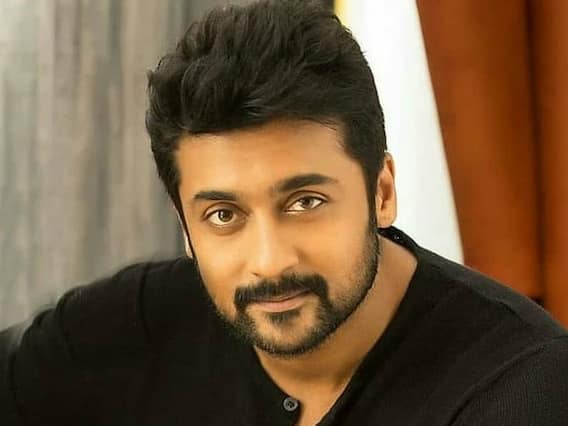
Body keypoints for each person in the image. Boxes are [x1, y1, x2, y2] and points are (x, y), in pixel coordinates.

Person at [1, 0, 567, 425]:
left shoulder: (521, 389)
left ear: (381, 193)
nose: (270, 262)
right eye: (224, 215)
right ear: (185, 226)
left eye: (305, 203)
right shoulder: (135, 325)